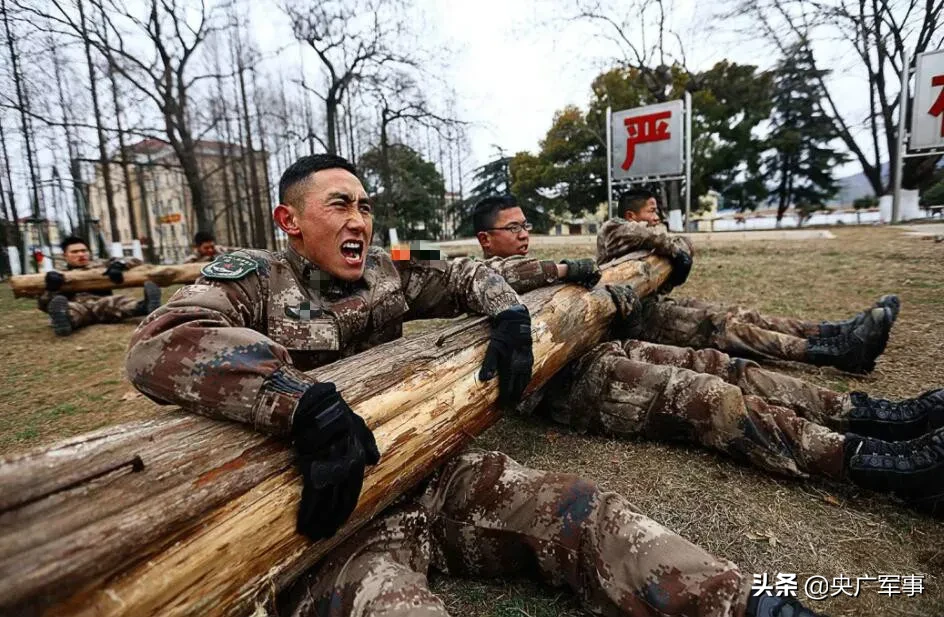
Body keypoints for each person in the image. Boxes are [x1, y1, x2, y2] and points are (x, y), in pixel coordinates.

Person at [126, 154, 827, 617]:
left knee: (581, 510)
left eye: (365, 206)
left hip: (424, 466)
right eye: (340, 205)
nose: (360, 220)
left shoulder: (385, 267)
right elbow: (161, 339)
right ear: (289, 220)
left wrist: (511, 311)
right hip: (326, 525)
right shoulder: (254, 279)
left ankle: (746, 604)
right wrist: (298, 401)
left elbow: (465, 273)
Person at [471, 195, 944, 514]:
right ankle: (876, 464)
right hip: (569, 384)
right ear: (485, 239)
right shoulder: (477, 283)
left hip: (604, 349)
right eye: (513, 228)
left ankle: (874, 416)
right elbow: (462, 283)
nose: (525, 234)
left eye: (526, 225)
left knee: (726, 367)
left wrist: (618, 309)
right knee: (708, 397)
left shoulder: (544, 270)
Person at [599, 190, 897, 373]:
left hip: (656, 304)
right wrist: (675, 247)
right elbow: (656, 238)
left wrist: (676, 260)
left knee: (739, 314)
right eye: (651, 211)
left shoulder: (646, 239)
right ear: (631, 214)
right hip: (640, 318)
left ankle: (833, 332)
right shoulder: (614, 229)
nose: (657, 217)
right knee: (723, 327)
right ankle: (834, 353)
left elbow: (666, 269)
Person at [39, 235, 162, 337]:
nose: (81, 254)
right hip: (78, 305)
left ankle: (145, 306)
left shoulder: (101, 264)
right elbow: (43, 305)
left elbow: (135, 260)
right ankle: (63, 323)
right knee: (70, 310)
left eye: (84, 251)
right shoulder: (57, 274)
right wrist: (51, 289)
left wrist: (120, 265)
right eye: (75, 252)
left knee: (117, 302)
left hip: (102, 303)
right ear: (65, 256)